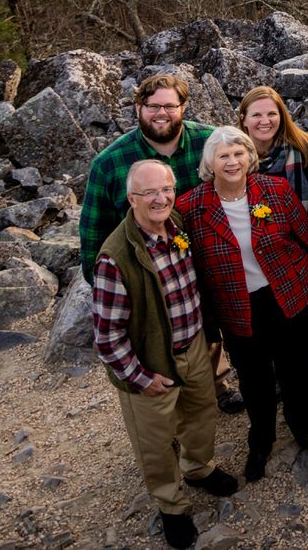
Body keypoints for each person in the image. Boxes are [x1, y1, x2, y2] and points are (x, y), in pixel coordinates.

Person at [91, 160, 238, 549]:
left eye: (166, 190)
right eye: (149, 193)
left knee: (202, 413)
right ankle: (171, 505)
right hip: (150, 364)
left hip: (193, 346)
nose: (161, 199)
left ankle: (198, 468)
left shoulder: (179, 226)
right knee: (154, 443)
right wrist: (140, 377)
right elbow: (107, 338)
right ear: (131, 198)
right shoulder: (115, 256)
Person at [82, 72, 242, 412]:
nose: (161, 113)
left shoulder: (208, 142)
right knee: (159, 339)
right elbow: (93, 236)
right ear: (138, 108)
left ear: (183, 107)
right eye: (152, 106)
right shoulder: (110, 163)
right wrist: (105, 284)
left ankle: (217, 382)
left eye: (170, 105)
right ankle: (164, 401)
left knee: (210, 328)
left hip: (208, 259)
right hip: (152, 272)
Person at [178, 126, 308, 482]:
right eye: (223, 155)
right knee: (255, 379)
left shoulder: (274, 190)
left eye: (239, 153)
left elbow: (306, 239)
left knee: (298, 369)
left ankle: (303, 426)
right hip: (236, 306)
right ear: (210, 162)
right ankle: (262, 439)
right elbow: (190, 266)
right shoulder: (191, 207)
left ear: (250, 157)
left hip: (289, 296)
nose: (232, 161)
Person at [239, 86, 308, 402]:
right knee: (268, 315)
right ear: (243, 119)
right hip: (256, 252)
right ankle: (280, 371)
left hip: (305, 247)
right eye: (257, 114)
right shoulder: (233, 156)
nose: (265, 121)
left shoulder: (304, 149)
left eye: (272, 113)